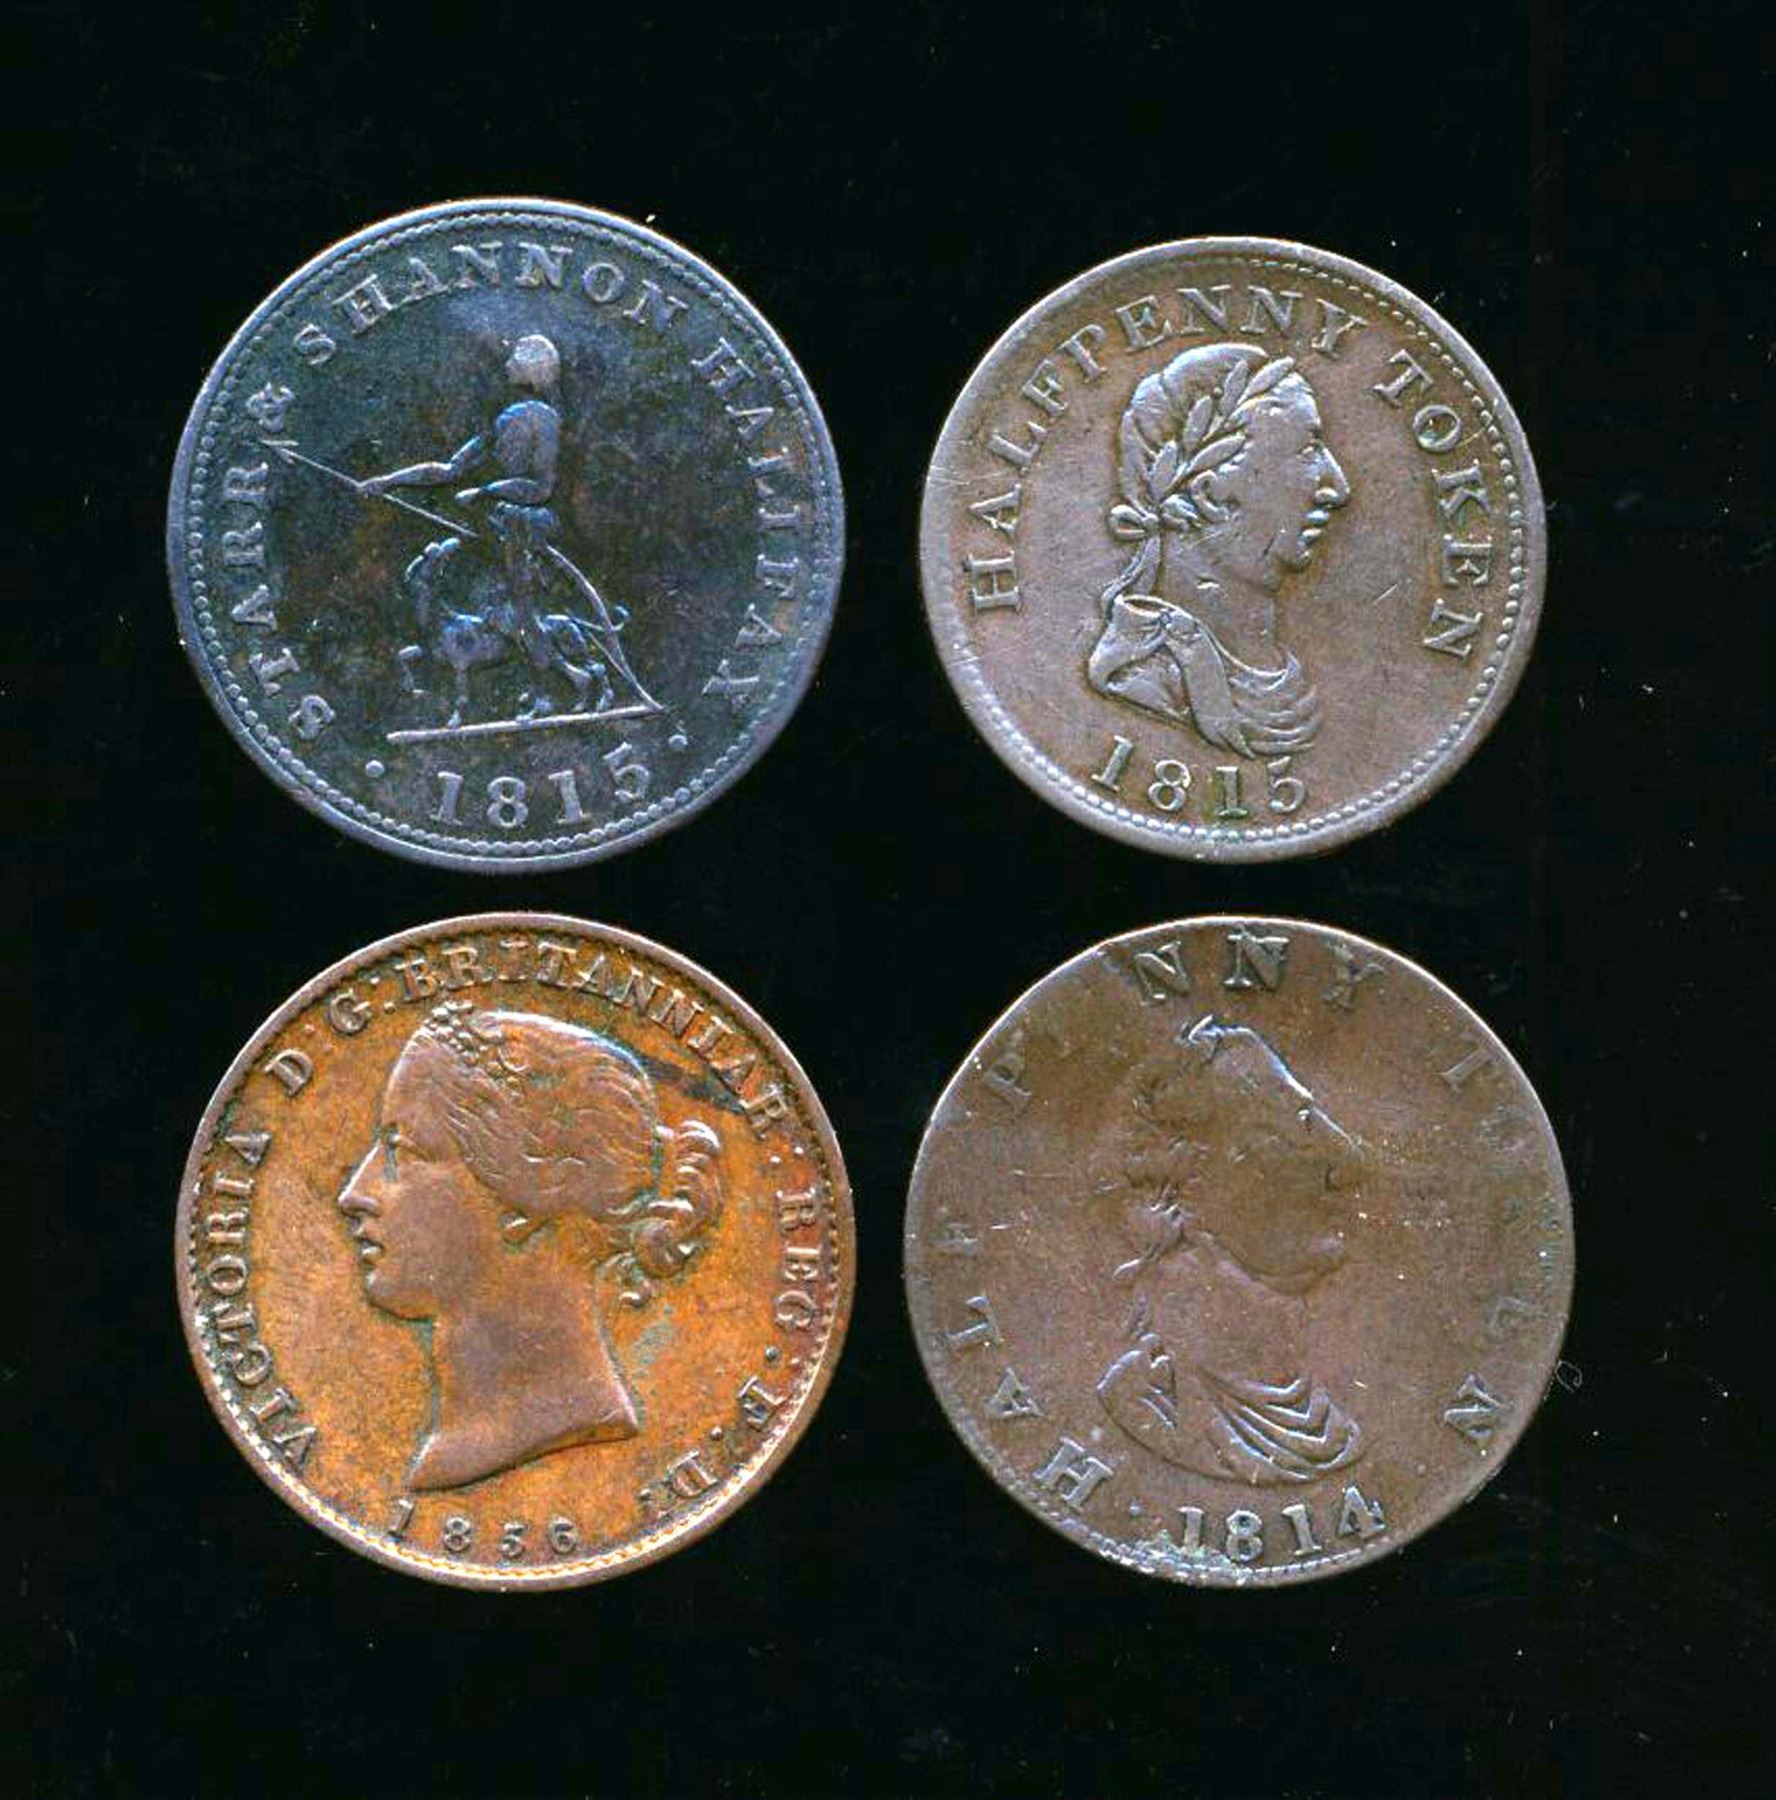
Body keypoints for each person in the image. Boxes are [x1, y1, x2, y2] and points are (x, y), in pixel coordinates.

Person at [336, 1000, 724, 1491]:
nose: (353, 1194)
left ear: (530, 1194)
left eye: (404, 1152)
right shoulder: (456, 1445)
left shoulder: (563, 1425)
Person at [1093, 1014, 1365, 1485]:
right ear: (1192, 1175)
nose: (1346, 1162)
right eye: (1300, 1123)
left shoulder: (1334, 1428)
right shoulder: (1152, 1407)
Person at [1086, 345, 1350, 759]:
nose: (1338, 487)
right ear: (1211, 494)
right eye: (1308, 450)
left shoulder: (1281, 677)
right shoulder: (1142, 678)